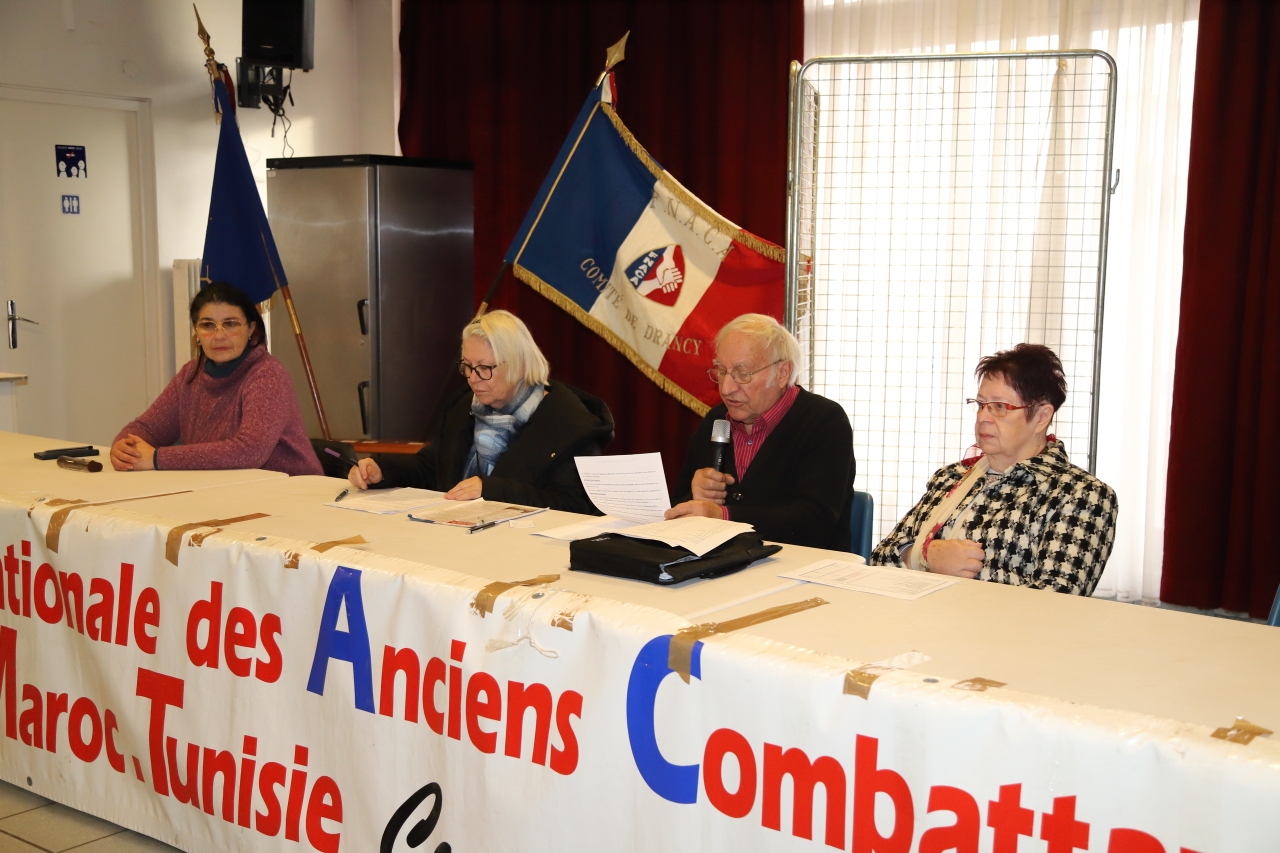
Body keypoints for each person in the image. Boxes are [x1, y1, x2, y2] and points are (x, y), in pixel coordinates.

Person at [869, 343, 1118, 595]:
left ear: (1042, 417)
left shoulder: (1080, 494)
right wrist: (925, 556)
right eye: (980, 404)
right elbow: (879, 558)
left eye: (1000, 407)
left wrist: (950, 572)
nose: (982, 417)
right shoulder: (951, 477)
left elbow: (1056, 599)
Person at [348, 310, 613, 513]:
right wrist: (384, 470)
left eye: (485, 368)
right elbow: (434, 467)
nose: (473, 379)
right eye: (467, 366)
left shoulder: (568, 424)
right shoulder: (465, 406)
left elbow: (574, 505)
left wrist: (491, 489)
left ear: (520, 366)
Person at [666, 314, 855, 549]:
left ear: (783, 373)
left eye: (742, 374)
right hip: (726, 563)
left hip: (804, 566)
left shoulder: (824, 421)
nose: (726, 388)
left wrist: (724, 516)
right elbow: (675, 509)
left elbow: (815, 523)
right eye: (722, 371)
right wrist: (695, 497)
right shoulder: (716, 420)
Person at [111, 281, 321, 476]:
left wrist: (157, 458)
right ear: (197, 332)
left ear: (250, 329)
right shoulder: (190, 374)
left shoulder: (268, 374)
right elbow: (146, 429)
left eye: (231, 324)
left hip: (289, 491)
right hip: (221, 488)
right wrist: (124, 448)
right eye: (208, 325)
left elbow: (250, 452)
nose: (219, 336)